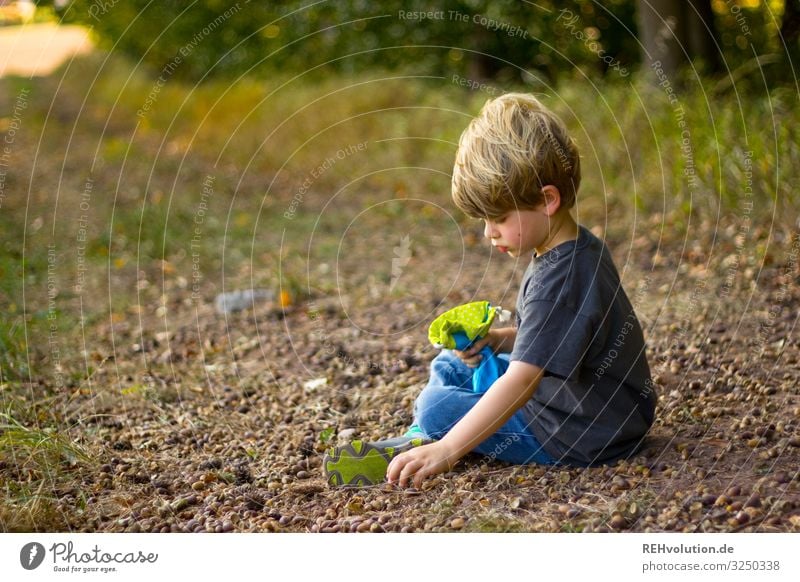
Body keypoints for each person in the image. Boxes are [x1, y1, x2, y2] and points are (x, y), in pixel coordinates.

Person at [323, 93, 656, 488]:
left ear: (547, 200)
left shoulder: (561, 278)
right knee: (450, 363)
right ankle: (424, 439)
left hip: (580, 431)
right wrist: (498, 339)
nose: (487, 232)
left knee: (435, 407)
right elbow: (557, 338)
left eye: (498, 218)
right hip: (597, 410)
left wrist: (449, 451)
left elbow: (523, 380)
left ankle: (428, 441)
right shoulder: (575, 247)